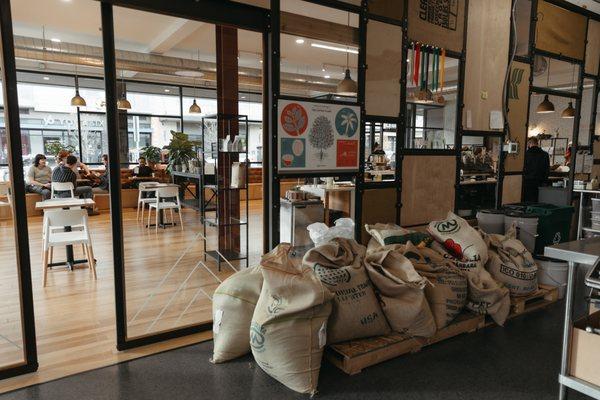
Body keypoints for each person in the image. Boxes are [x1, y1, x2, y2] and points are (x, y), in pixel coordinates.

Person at [523, 137, 550, 203]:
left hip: (528, 181)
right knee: (538, 200)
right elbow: (547, 169)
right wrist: (545, 181)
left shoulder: (525, 154)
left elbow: (523, 167)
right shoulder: (545, 154)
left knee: (528, 200)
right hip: (540, 181)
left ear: (529, 143)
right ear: (537, 143)